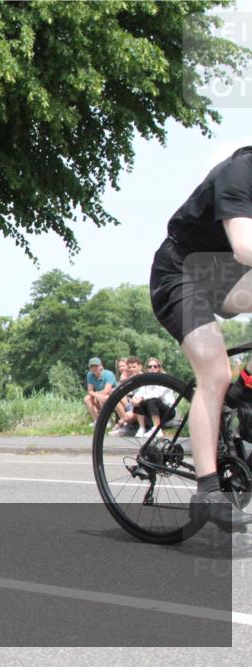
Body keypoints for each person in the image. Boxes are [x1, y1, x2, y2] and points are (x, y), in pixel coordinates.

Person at [149, 145, 252, 531]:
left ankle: (246, 389)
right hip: (179, 274)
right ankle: (208, 490)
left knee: (232, 383)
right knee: (214, 372)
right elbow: (244, 246)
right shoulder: (239, 173)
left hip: (220, 275)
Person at [131, 358, 177, 438]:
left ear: (159, 368)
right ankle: (142, 428)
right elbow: (140, 393)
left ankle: (157, 429)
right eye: (150, 367)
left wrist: (141, 398)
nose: (152, 368)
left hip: (168, 410)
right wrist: (135, 399)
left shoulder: (164, 379)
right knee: (138, 403)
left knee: (152, 401)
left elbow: (157, 395)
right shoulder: (146, 380)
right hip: (153, 409)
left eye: (155, 366)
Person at [83, 357, 117, 427]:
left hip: (112, 397)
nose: (94, 368)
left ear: (101, 366)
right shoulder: (89, 375)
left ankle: (107, 421)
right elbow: (90, 391)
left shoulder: (109, 374)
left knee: (103, 398)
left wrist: (96, 394)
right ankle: (97, 420)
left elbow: (106, 391)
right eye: (92, 366)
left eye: (96, 366)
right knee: (87, 398)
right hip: (99, 396)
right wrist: (97, 395)